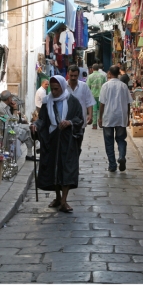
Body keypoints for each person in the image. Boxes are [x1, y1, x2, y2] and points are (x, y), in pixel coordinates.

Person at [31, 75, 84, 213]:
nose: (54, 92)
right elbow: (42, 119)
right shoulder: (47, 101)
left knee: (66, 168)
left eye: (56, 89)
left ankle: (64, 200)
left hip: (68, 141)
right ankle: (58, 197)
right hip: (52, 140)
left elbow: (79, 119)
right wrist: (35, 125)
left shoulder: (73, 101)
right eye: (52, 89)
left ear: (62, 87)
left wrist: (69, 122)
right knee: (53, 168)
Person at [98, 65, 133, 172]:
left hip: (108, 117)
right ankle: (122, 156)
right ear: (118, 73)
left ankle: (112, 165)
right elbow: (128, 103)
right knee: (121, 139)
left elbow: (102, 103)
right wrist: (127, 117)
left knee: (109, 141)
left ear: (109, 73)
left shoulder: (105, 86)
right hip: (121, 116)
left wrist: (100, 118)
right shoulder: (123, 86)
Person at [0, 90, 36, 161]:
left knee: (28, 128)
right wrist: (15, 109)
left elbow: (13, 121)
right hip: (4, 130)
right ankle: (30, 153)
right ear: (9, 98)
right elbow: (11, 121)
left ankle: (30, 154)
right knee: (25, 133)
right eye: (11, 97)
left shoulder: (6, 107)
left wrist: (14, 109)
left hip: (10, 126)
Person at [66, 65, 96, 151]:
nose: (73, 77)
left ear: (78, 75)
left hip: (80, 121)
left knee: (78, 145)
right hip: (66, 121)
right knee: (67, 145)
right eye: (71, 75)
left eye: (75, 76)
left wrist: (90, 115)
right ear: (68, 74)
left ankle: (74, 161)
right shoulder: (63, 86)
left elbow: (89, 101)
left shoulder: (84, 86)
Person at [86, 63, 107, 130]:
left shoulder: (90, 76)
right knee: (101, 110)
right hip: (101, 95)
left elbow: (87, 86)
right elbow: (105, 86)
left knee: (94, 110)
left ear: (92, 69)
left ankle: (94, 124)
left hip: (93, 95)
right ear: (98, 69)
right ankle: (101, 123)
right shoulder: (103, 76)